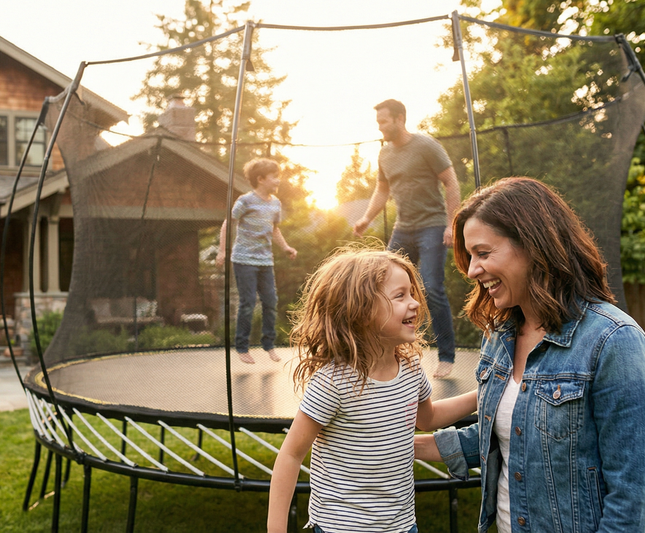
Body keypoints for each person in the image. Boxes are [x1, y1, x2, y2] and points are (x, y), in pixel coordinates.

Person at [415, 177, 645, 532]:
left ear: (533, 245)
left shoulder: (613, 341)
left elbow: (632, 495)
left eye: (483, 253)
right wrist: (393, 443)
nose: (472, 270)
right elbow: (506, 435)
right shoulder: (500, 336)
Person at [267, 245, 477, 533]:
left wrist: (482, 396)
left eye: (412, 293)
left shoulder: (410, 368)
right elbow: (291, 455)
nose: (415, 303)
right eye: (400, 295)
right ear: (362, 311)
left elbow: (426, 419)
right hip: (341, 527)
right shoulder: (334, 383)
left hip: (402, 526)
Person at [354, 99, 460, 378]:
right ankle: (387, 349)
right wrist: (367, 218)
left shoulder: (426, 146)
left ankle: (446, 356)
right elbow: (381, 190)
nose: (380, 127)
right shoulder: (385, 155)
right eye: (378, 122)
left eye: (383, 121)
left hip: (432, 226)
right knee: (380, 283)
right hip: (403, 228)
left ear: (399, 119)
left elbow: (451, 181)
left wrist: (451, 224)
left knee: (431, 288)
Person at [216, 158, 297, 364]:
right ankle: (242, 347)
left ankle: (269, 344)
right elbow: (228, 223)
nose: (278, 181)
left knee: (271, 302)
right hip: (243, 260)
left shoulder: (275, 204)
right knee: (248, 303)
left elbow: (274, 229)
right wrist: (222, 251)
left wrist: (285, 247)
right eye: (274, 177)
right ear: (261, 179)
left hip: (265, 262)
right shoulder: (245, 201)